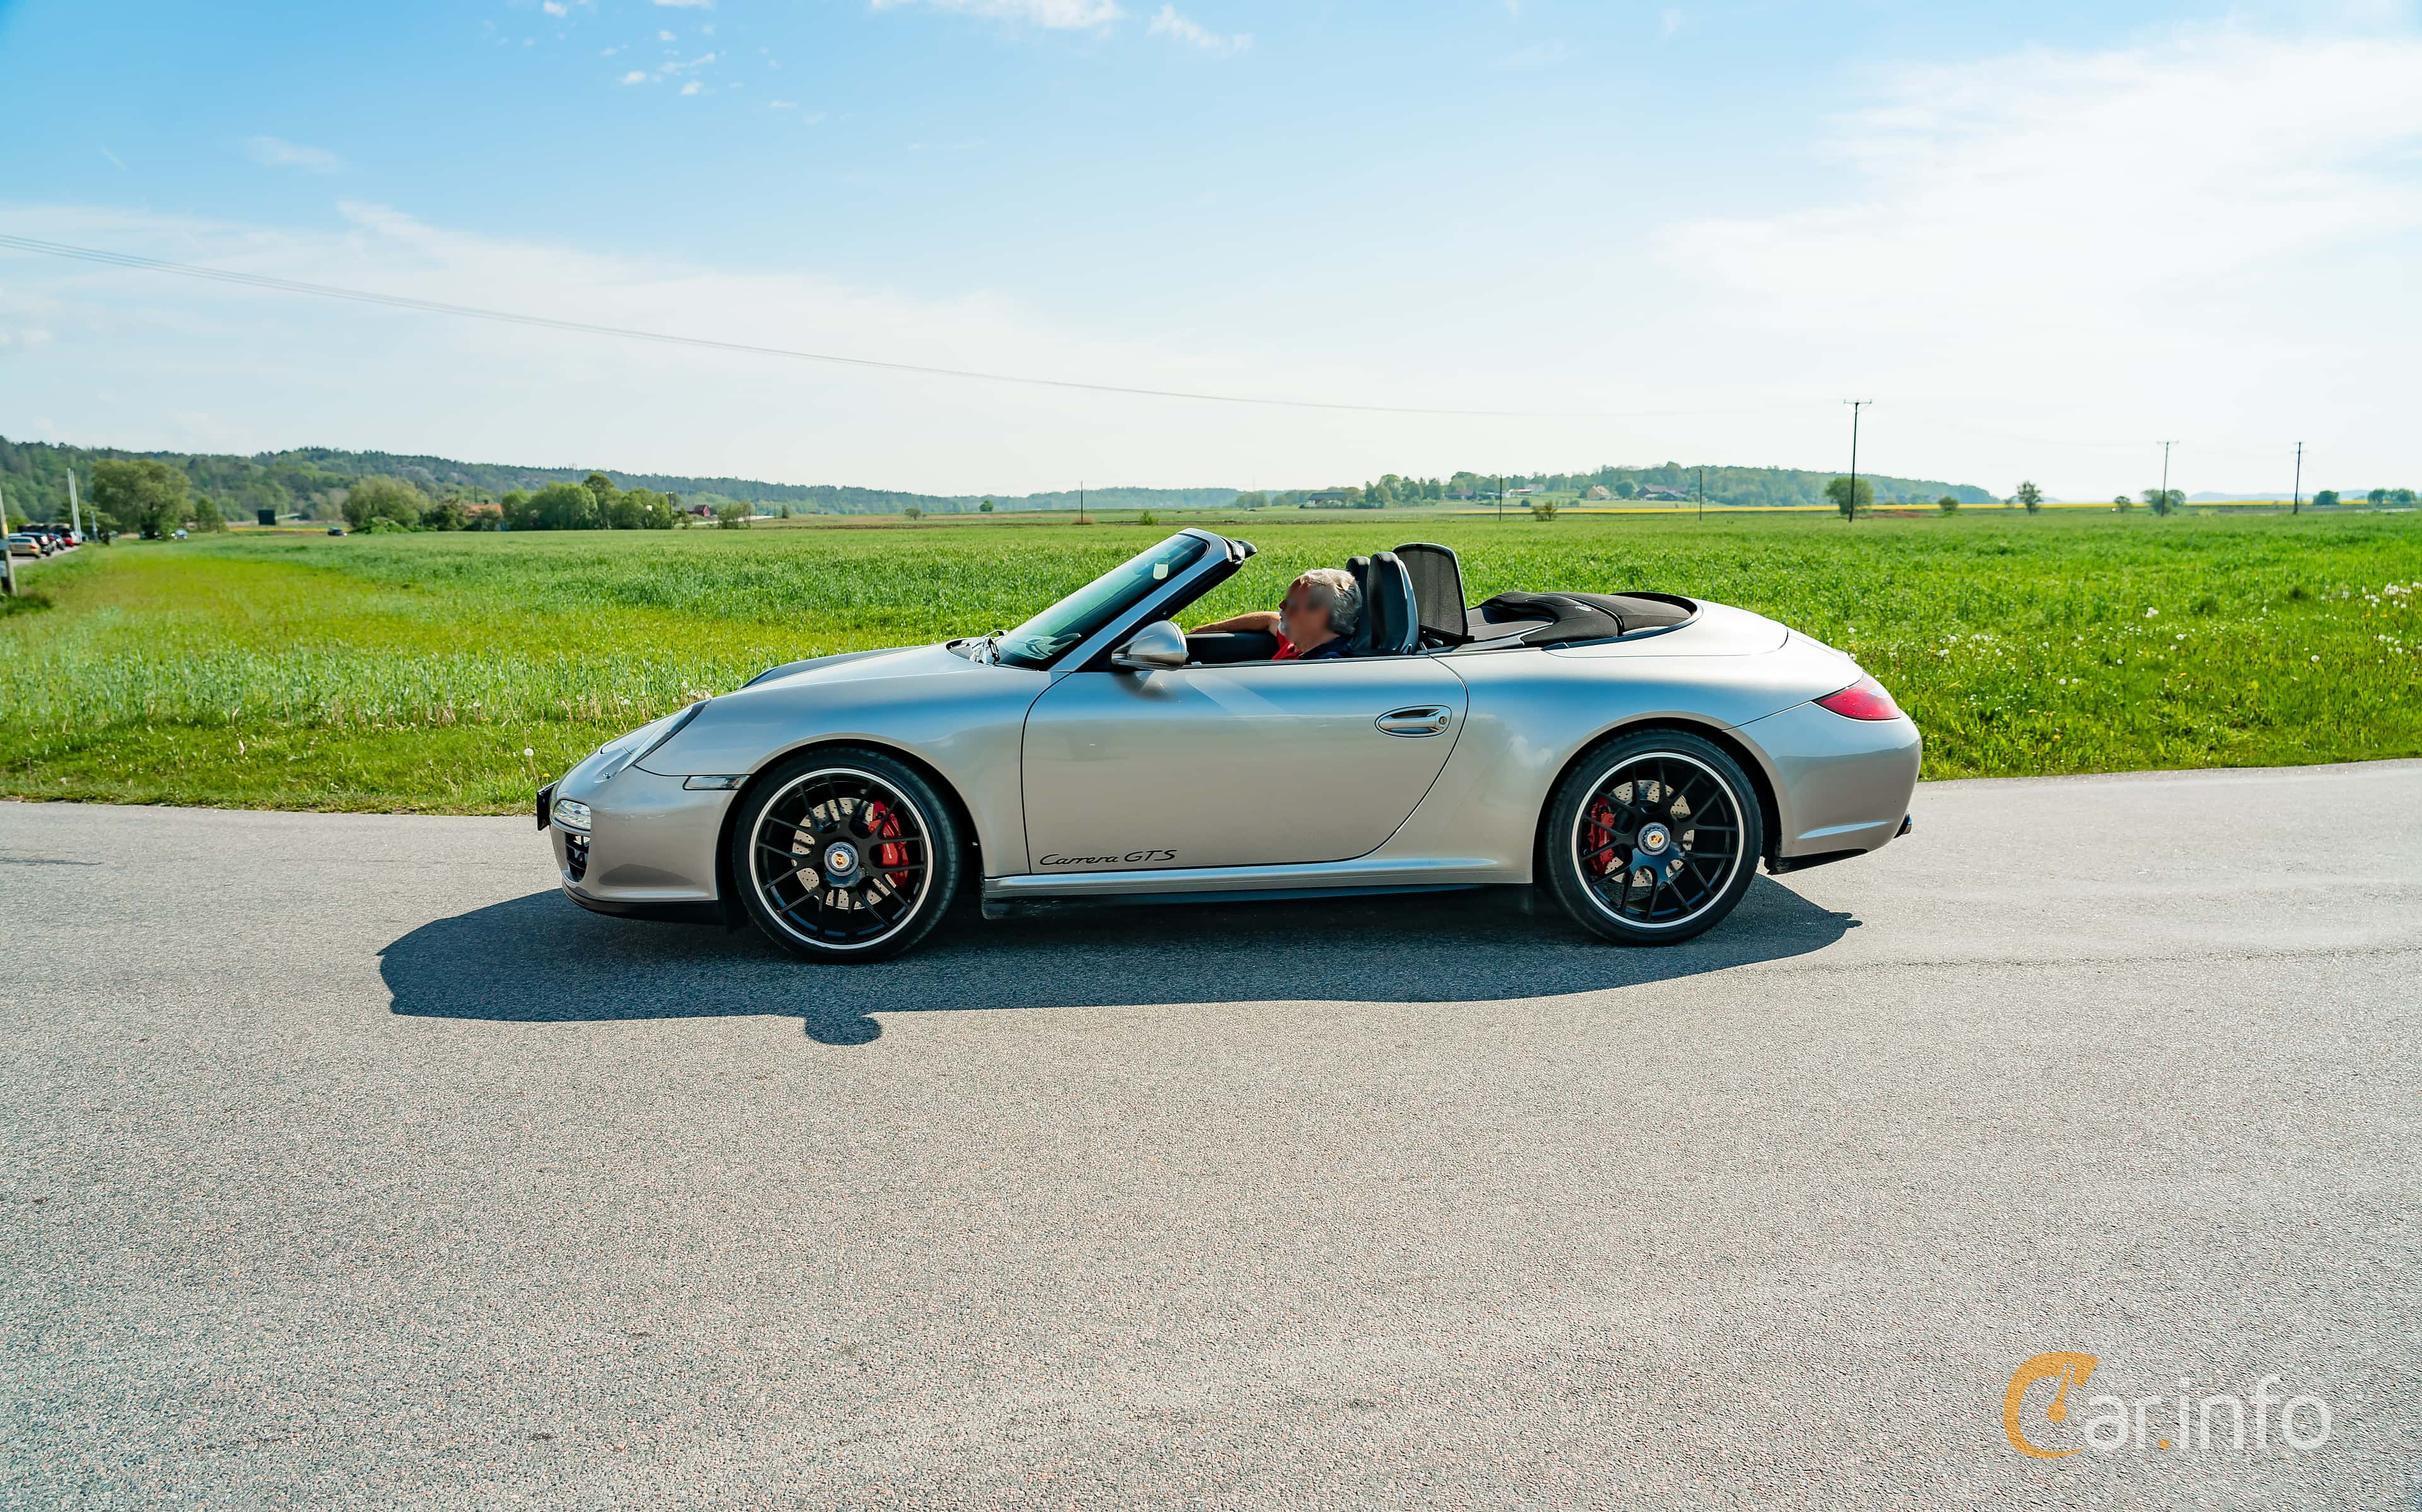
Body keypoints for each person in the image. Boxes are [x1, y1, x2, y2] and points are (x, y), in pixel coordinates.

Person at [1193, 567, 1360, 660]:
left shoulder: (1325, 666)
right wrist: (1201, 631)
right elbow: (1269, 619)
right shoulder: (1300, 643)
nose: (1282, 605)